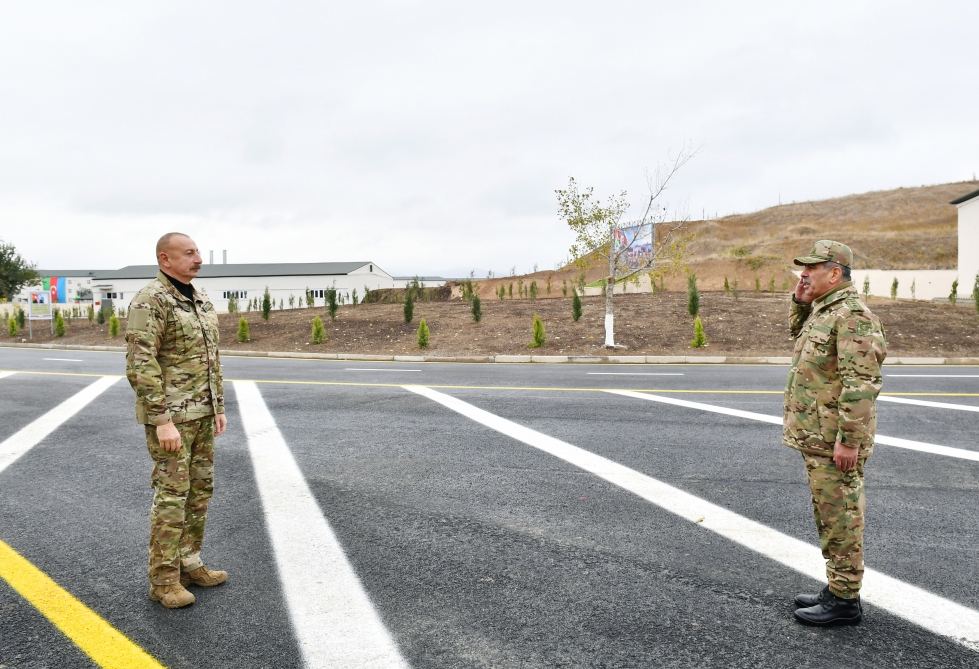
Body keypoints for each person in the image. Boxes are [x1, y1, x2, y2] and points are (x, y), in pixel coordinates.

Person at [783, 240, 886, 626]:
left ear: (836, 273)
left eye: (812, 268)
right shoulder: (825, 310)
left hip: (834, 441)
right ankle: (837, 587)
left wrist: (849, 441)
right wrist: (799, 298)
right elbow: (796, 336)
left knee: (841, 516)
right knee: (829, 514)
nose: (804, 273)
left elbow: (861, 383)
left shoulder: (852, 316)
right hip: (819, 436)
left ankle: (845, 601)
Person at [125, 232, 228, 609]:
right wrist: (161, 420)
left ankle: (190, 563)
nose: (198, 258)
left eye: (198, 251)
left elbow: (211, 358)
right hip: (172, 419)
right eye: (189, 253)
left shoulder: (199, 298)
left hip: (201, 415)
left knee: (200, 493)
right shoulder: (151, 300)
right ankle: (164, 580)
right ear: (165, 259)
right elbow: (141, 363)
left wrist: (218, 407)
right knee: (172, 496)